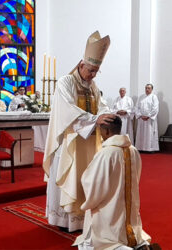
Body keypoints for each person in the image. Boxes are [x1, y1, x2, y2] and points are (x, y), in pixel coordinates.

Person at [43, 31, 114, 232]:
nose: (92, 75)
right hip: (70, 143)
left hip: (89, 143)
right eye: (91, 70)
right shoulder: (65, 82)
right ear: (81, 65)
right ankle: (65, 220)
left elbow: (102, 105)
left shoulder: (92, 86)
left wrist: (106, 115)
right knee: (71, 177)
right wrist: (94, 119)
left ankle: (85, 220)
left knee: (87, 180)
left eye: (96, 72)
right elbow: (67, 111)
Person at [74, 116, 151, 250]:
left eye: (101, 131)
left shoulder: (106, 153)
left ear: (107, 132)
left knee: (93, 244)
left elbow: (94, 183)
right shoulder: (133, 150)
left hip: (109, 212)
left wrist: (85, 179)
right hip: (128, 207)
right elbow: (135, 179)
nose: (101, 134)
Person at [135, 84, 159, 152]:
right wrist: (140, 115)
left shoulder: (154, 97)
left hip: (149, 119)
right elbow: (136, 107)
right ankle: (141, 147)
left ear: (152, 89)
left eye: (148, 88)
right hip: (141, 118)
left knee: (149, 133)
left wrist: (148, 116)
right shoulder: (141, 97)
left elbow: (155, 108)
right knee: (141, 133)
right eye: (146, 88)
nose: (147, 89)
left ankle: (150, 148)